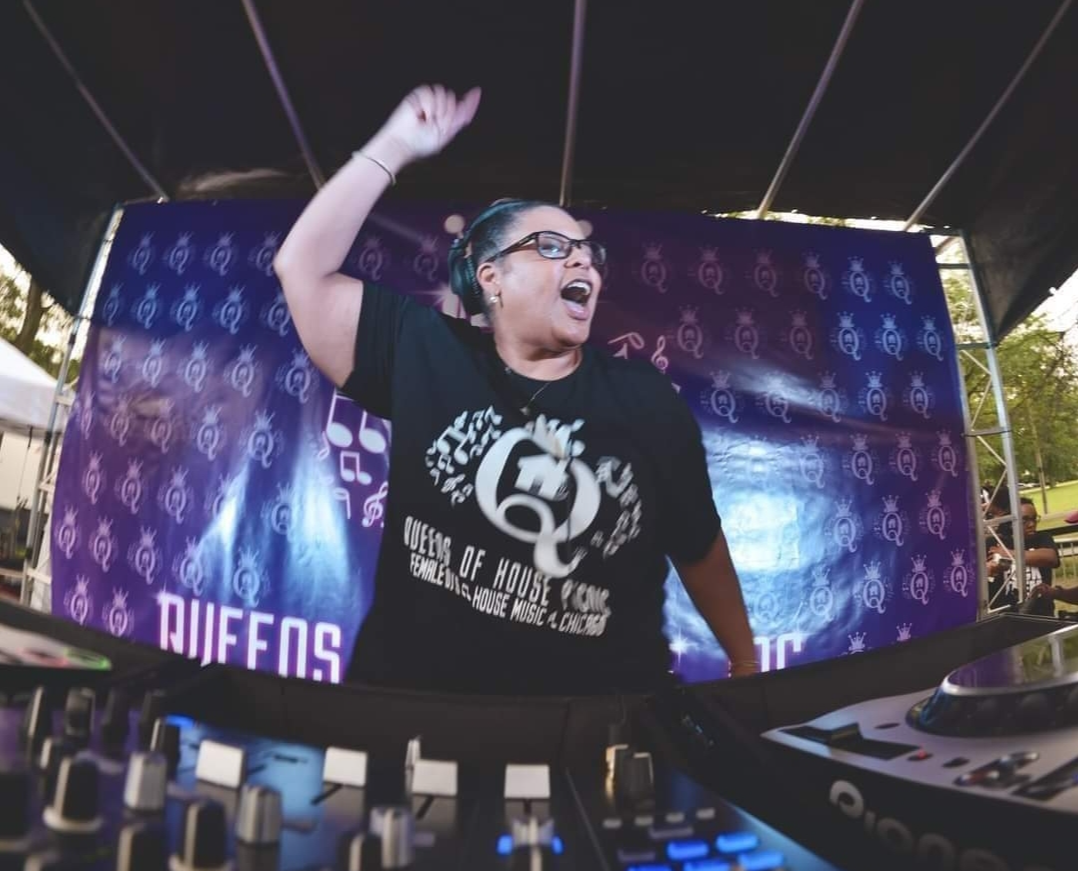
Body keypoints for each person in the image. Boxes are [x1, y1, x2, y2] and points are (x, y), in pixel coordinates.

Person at [274, 85, 758, 695]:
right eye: (551, 248)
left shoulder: (645, 398)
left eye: (588, 254)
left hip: (601, 718)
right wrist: (395, 145)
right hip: (415, 709)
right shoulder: (423, 349)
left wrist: (746, 668)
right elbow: (302, 269)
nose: (583, 264)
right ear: (491, 278)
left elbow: (698, 546)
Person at [984, 491, 1061, 616]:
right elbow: (985, 574)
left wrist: (1009, 553)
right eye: (1024, 520)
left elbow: (1051, 558)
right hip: (1006, 614)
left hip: (1041, 612)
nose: (1032, 524)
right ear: (1011, 521)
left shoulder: (1042, 538)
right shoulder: (995, 542)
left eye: (1034, 519)